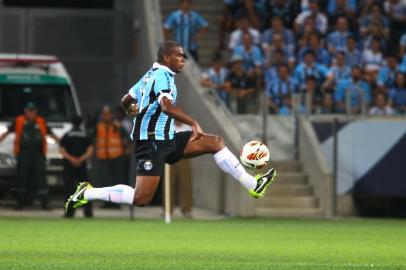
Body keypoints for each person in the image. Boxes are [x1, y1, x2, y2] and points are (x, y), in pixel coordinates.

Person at [65, 41, 277, 213]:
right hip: (150, 141)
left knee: (215, 142)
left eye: (183, 56)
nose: (183, 60)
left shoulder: (149, 75)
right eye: (179, 55)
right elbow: (166, 106)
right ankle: (87, 193)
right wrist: (193, 122)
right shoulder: (161, 75)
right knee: (141, 198)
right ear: (167, 58)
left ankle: (253, 185)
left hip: (167, 138)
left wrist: (131, 107)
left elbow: (125, 99)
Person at [0, 102, 59, 210]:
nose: (31, 113)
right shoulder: (19, 121)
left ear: (35, 112)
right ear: (25, 111)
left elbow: (51, 134)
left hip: (38, 154)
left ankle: (45, 204)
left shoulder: (41, 121)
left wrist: (62, 143)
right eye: (29, 111)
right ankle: (20, 204)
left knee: (41, 178)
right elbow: (7, 132)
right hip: (23, 153)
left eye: (33, 111)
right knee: (21, 178)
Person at [92, 106, 130, 207]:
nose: (106, 117)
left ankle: (116, 203)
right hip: (103, 157)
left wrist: (127, 150)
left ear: (111, 115)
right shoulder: (98, 127)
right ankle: (106, 202)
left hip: (117, 157)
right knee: (105, 180)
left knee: (117, 181)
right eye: (104, 114)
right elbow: (90, 137)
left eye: (108, 114)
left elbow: (127, 138)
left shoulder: (118, 126)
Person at [60, 116, 94, 218]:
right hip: (82, 165)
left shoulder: (67, 135)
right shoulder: (86, 135)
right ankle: (88, 212)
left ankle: (69, 213)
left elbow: (61, 149)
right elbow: (90, 150)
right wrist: (80, 159)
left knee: (69, 188)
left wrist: (71, 159)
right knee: (85, 189)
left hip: (69, 165)